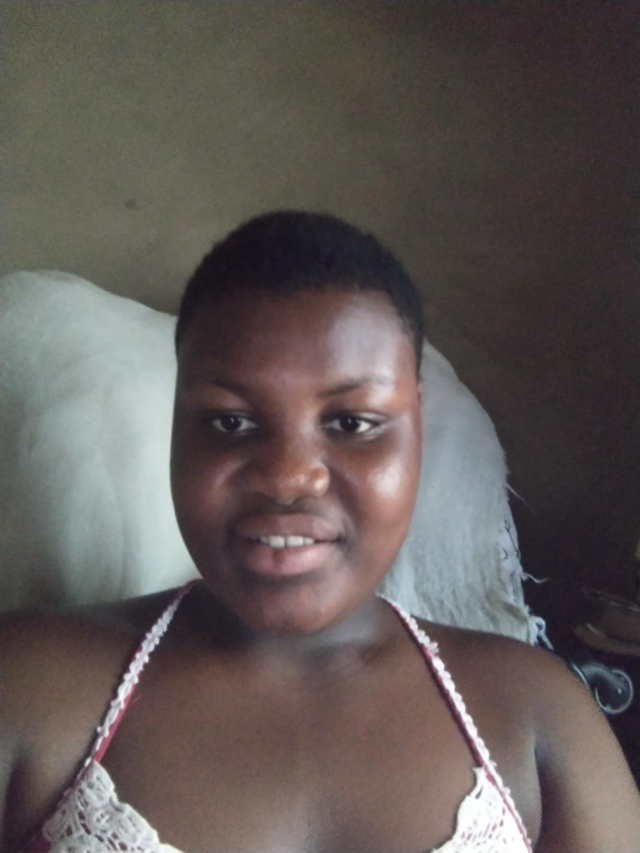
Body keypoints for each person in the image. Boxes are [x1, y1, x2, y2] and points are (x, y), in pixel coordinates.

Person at [1, 212, 639, 853]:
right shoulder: (28, 686)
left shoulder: (538, 718)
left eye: (352, 423)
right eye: (229, 422)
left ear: (417, 428)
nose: (287, 478)